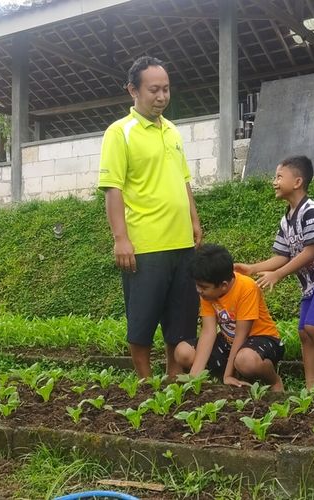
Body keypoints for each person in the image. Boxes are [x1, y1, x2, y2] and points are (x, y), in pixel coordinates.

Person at [98, 56, 201, 378]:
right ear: (133, 90)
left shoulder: (172, 131)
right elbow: (112, 189)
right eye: (154, 90)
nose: (161, 97)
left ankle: (172, 377)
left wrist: (194, 221)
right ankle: (144, 382)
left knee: (180, 318)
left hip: (181, 241)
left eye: (166, 89)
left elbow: (183, 182)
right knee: (142, 318)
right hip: (145, 244)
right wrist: (121, 239)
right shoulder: (120, 133)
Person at [235, 156, 314, 389]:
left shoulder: (311, 211)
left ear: (297, 182)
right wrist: (253, 268)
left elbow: (310, 252)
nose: (274, 182)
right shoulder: (286, 220)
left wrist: (278, 275)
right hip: (311, 283)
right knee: (304, 333)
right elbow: (282, 256)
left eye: (279, 177)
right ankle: (310, 385)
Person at [174, 244, 285, 391]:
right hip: (229, 342)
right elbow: (208, 332)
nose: (198, 290)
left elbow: (241, 334)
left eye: (203, 287)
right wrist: (194, 377)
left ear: (224, 285)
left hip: (262, 339)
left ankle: (274, 381)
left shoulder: (246, 287)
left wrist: (228, 374)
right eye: (197, 285)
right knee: (183, 352)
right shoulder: (208, 293)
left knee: (246, 361)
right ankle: (233, 376)